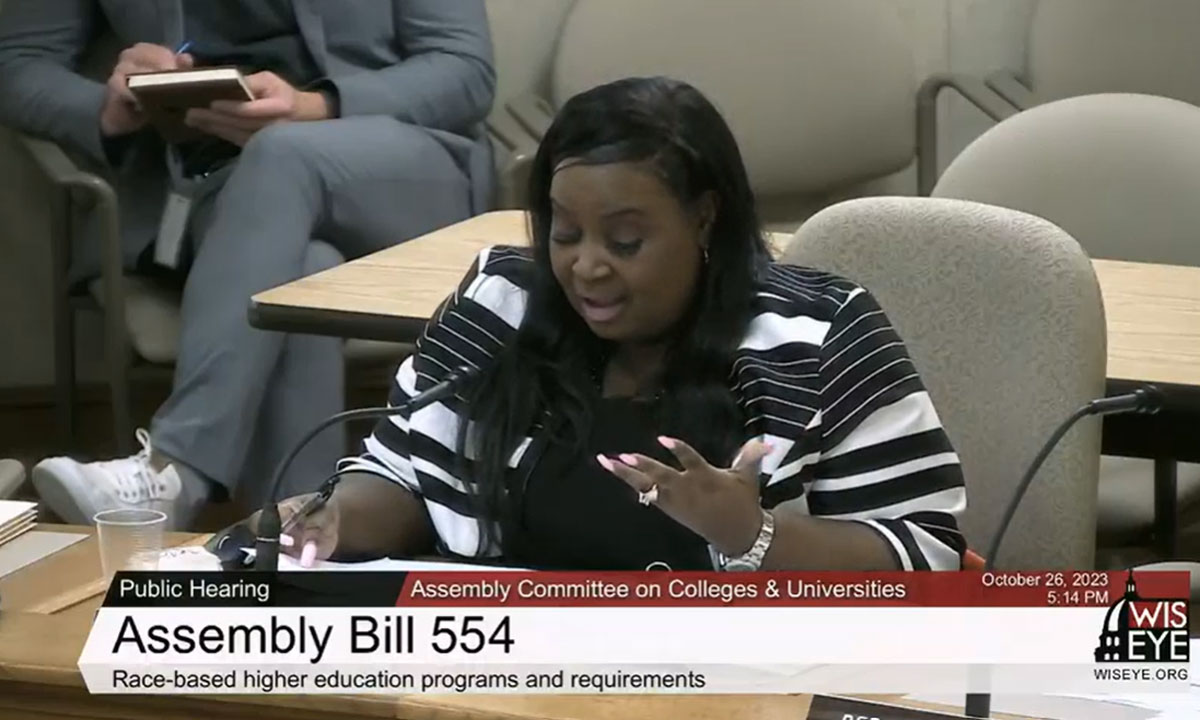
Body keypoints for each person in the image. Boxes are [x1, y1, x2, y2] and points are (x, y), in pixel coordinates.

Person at [267, 76, 968, 571]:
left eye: (625, 242)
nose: (587, 268)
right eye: (565, 234)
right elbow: (405, 478)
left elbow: (921, 553)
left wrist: (750, 534)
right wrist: (336, 520)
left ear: (704, 217)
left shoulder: (820, 335)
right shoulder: (499, 307)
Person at [0, 1, 496, 528]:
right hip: (210, 194)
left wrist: (315, 106)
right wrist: (107, 106)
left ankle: (177, 468)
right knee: (305, 271)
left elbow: (463, 67)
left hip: (401, 170)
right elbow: (17, 62)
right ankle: (303, 541)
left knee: (280, 152)